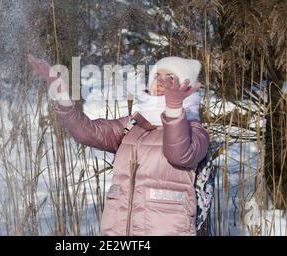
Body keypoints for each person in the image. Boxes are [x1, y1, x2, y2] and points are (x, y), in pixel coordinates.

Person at [27, 54, 210, 236]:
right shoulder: (133, 124)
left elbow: (179, 153)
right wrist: (62, 93)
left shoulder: (194, 130)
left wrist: (173, 109)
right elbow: (87, 132)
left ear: (186, 86)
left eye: (170, 77)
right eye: (157, 76)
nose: (161, 81)